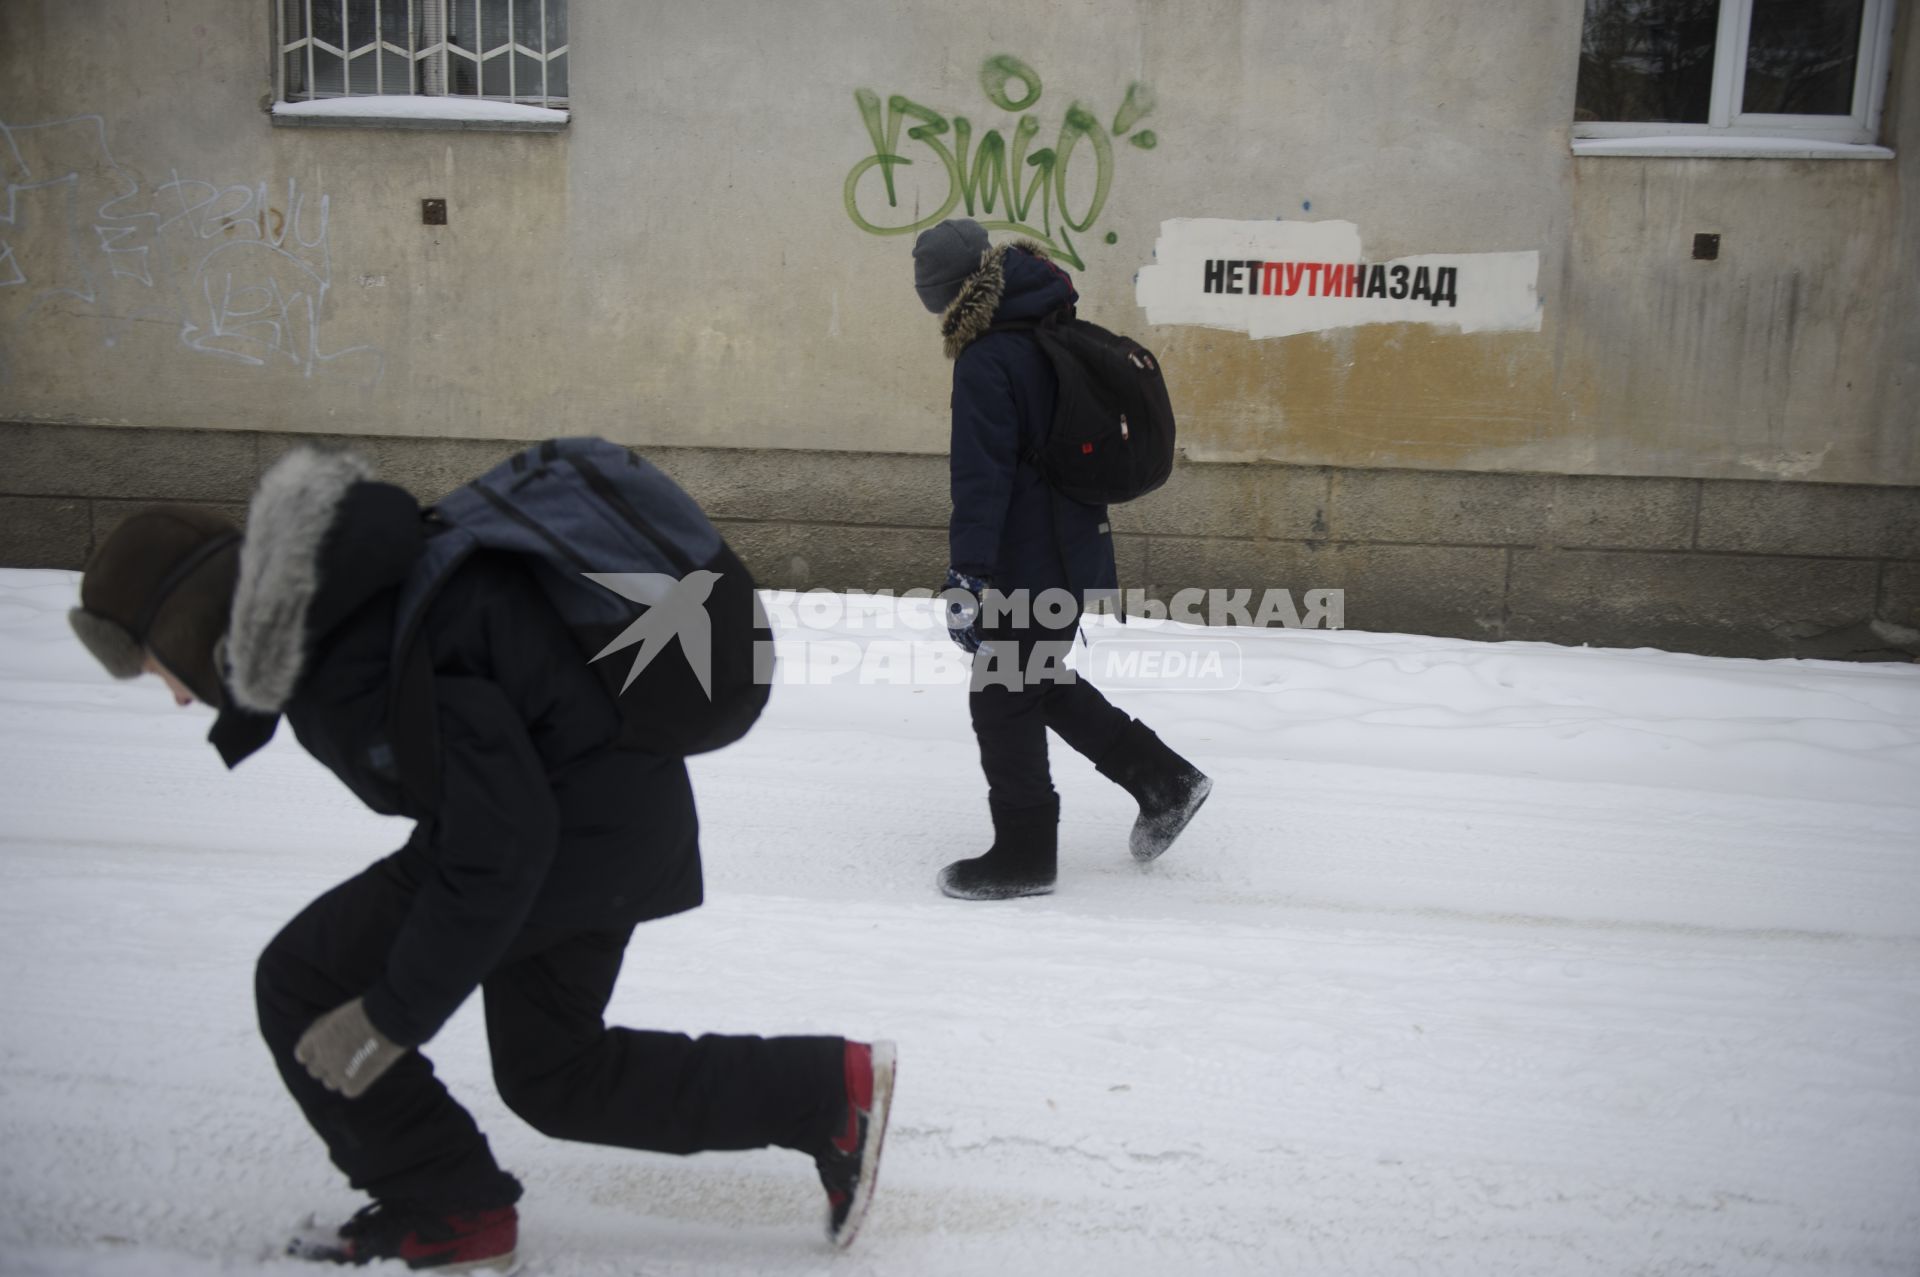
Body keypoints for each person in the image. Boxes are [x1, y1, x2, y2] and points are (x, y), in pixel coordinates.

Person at [67, 452, 896, 1270]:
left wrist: (391, 1014)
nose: (173, 692)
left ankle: (451, 1206)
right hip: (608, 819)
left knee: (301, 979)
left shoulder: (344, 656)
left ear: (184, 623)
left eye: (152, 665)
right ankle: (825, 1093)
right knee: (553, 1072)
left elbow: (497, 848)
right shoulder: (341, 601)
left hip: (569, 836)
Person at [912, 218, 1213, 901]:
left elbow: (981, 481)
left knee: (1002, 698)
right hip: (1067, 550)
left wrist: (968, 577)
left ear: (945, 293)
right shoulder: (1041, 331)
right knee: (1035, 679)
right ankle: (1165, 782)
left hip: (1027, 560)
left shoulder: (989, 358)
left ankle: (1024, 853)